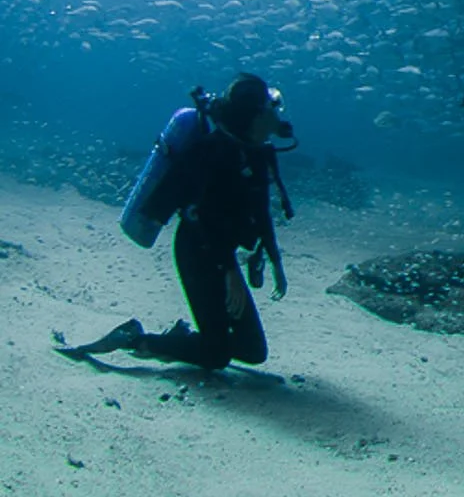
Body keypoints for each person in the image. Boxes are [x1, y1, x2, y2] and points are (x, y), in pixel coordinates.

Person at [60, 74, 294, 370]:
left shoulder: (255, 153)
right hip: (197, 251)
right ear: (256, 114)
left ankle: (183, 340)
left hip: (220, 254)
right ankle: (135, 338)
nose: (278, 115)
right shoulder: (211, 151)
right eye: (272, 108)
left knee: (253, 351)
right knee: (216, 355)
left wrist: (275, 262)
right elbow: (204, 220)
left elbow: (260, 213)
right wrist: (229, 272)